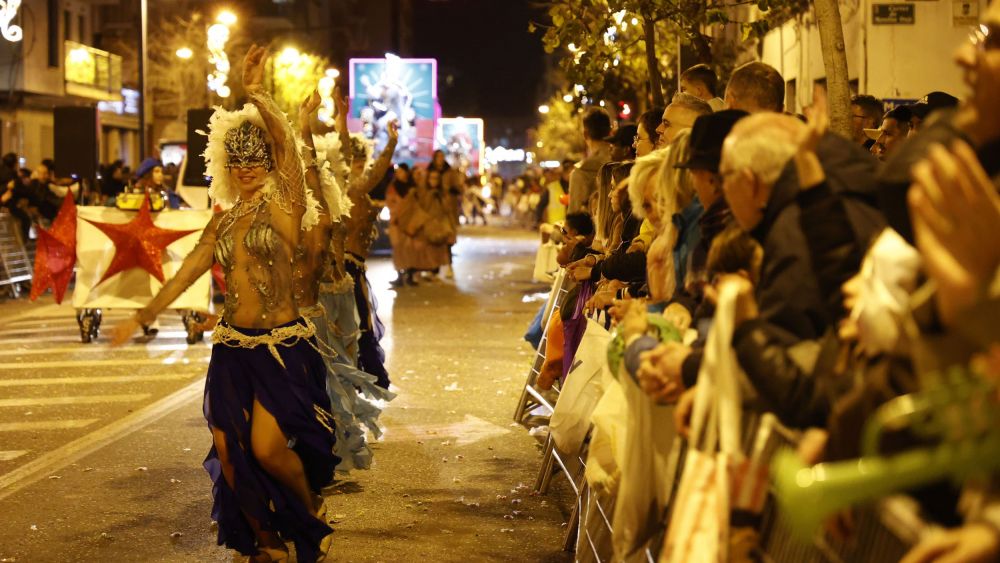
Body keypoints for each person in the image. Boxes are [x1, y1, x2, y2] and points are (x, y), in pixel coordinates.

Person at [110, 46, 335, 563]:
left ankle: (308, 515)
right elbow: (187, 270)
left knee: (267, 449)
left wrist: (255, 91)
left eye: (255, 160)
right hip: (233, 347)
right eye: (238, 161)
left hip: (282, 346)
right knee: (230, 452)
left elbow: (288, 152)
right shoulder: (224, 219)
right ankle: (266, 540)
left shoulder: (287, 207)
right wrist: (145, 314)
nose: (247, 169)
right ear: (227, 166)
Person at [296, 89, 395, 476]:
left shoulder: (348, 193)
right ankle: (325, 446)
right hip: (324, 293)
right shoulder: (316, 202)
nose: (344, 167)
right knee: (330, 368)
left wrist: (345, 119)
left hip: (344, 285)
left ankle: (335, 443)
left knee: (344, 362)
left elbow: (354, 162)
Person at [343, 121, 398, 391]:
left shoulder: (357, 190)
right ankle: (344, 383)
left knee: (358, 327)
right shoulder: (349, 190)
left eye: (362, 158)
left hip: (355, 268)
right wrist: (391, 143)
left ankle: (348, 381)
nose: (360, 163)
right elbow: (377, 173)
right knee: (351, 328)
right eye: (354, 159)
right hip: (343, 270)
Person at [568, 107, 613, 213]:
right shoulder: (623, 161)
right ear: (610, 131)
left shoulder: (581, 172)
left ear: (585, 133)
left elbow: (575, 217)